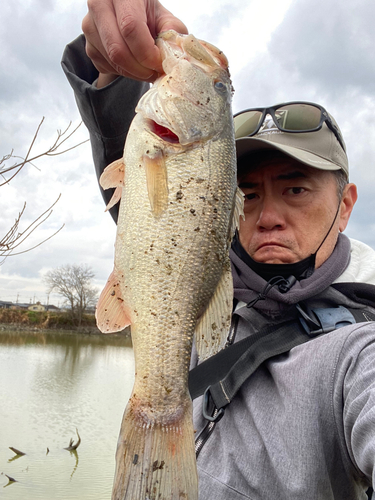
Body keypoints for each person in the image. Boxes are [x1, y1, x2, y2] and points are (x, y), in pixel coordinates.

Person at [62, 1, 375, 498]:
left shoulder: (359, 351)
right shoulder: (205, 280)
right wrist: (110, 71)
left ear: (344, 206)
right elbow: (155, 215)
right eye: (245, 195)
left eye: (296, 189)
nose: (267, 214)